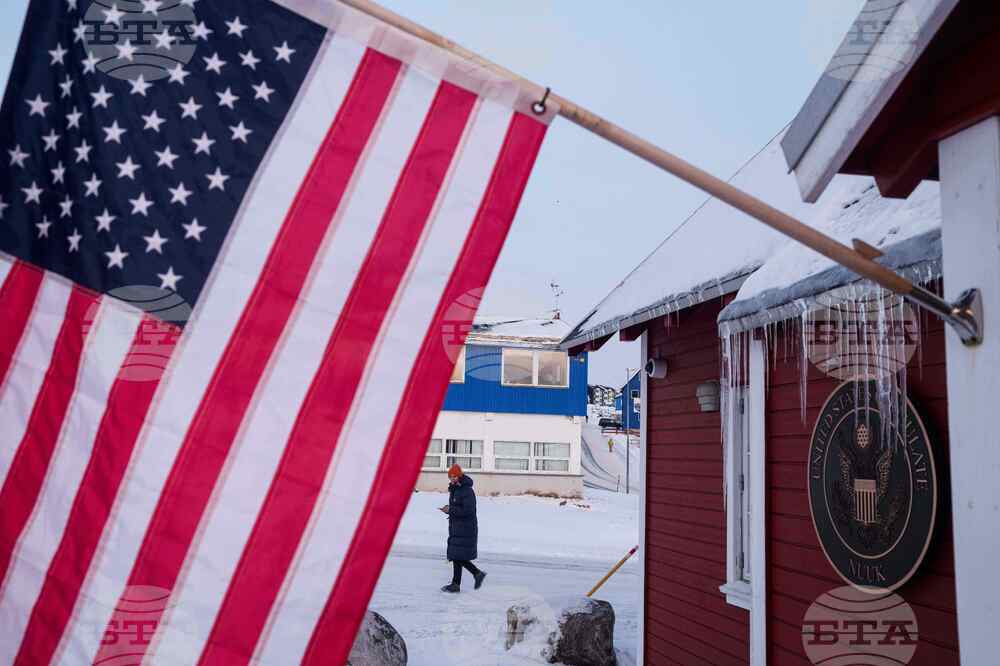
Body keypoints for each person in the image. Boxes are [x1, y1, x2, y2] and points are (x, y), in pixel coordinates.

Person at [439, 464, 486, 593]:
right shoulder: (456, 489)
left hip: (465, 528)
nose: (452, 479)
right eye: (450, 477)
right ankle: (457, 583)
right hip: (458, 526)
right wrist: (448, 509)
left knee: (457, 556)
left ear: (459, 476)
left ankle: (475, 574)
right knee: (456, 554)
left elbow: (468, 510)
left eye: (454, 476)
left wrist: (451, 510)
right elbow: (458, 506)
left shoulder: (466, 491)